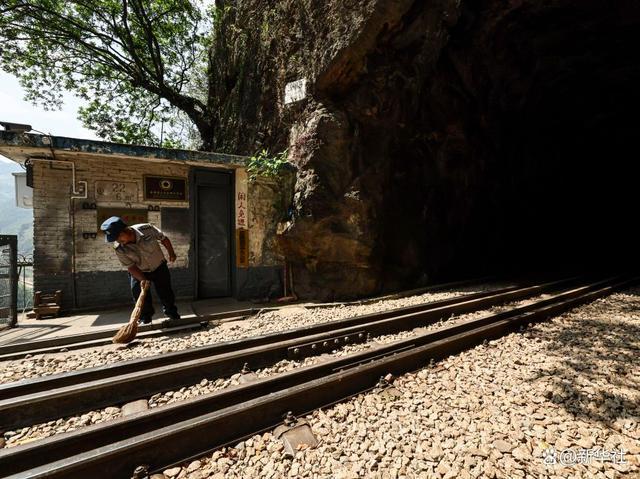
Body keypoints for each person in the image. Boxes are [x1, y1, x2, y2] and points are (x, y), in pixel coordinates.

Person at [100, 216, 181, 325]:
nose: (119, 241)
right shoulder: (119, 248)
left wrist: (171, 253)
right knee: (140, 295)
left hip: (159, 267)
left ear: (126, 231)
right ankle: (145, 319)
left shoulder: (147, 229)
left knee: (166, 292)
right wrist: (143, 280)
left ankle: (172, 315)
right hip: (139, 271)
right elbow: (130, 266)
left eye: (119, 238)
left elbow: (164, 239)